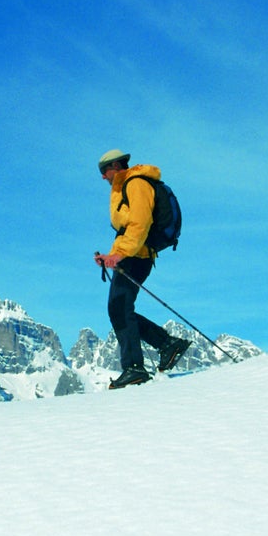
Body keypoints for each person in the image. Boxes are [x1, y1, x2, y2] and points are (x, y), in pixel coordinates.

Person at [93, 149, 191, 389]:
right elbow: (129, 227)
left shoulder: (135, 183)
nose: (103, 177)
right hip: (133, 254)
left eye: (104, 171)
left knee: (118, 308)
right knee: (121, 309)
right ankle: (167, 345)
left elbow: (140, 222)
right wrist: (111, 256)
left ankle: (135, 368)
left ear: (116, 166)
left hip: (136, 255)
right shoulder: (126, 186)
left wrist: (118, 254)